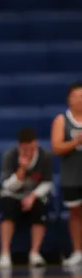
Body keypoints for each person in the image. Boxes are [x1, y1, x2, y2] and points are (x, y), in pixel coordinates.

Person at [0, 128, 53, 271]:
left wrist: (32, 197)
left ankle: (35, 253)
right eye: (25, 149)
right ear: (20, 146)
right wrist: (21, 169)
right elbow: (7, 186)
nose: (29, 152)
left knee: (41, 208)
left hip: (33, 195)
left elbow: (47, 183)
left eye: (32, 148)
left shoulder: (45, 155)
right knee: (7, 208)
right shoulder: (9, 156)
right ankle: (4, 253)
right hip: (12, 194)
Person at [51, 82, 82, 268]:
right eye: (76, 96)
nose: (79, 100)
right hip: (72, 175)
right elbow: (56, 147)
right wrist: (76, 141)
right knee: (75, 213)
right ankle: (78, 251)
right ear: (69, 99)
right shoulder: (62, 120)